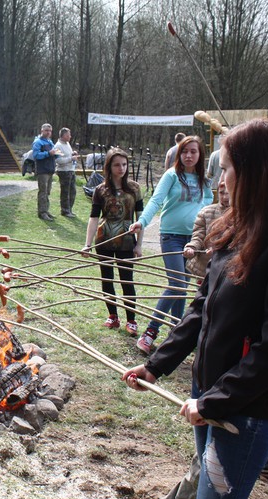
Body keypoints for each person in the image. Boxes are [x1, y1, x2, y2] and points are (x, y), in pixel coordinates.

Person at [125, 108, 268, 499]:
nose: (219, 181)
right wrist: (158, 362)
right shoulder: (241, 222)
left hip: (247, 401)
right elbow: (203, 305)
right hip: (215, 385)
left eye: (228, 169)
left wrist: (215, 401)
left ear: (257, 172)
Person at [130, 135, 212, 354]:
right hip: (171, 237)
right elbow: (156, 200)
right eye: (184, 151)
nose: (188, 155)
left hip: (195, 241)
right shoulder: (172, 175)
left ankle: (176, 333)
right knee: (178, 284)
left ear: (200, 154)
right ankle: (150, 332)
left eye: (193, 151)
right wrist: (141, 221)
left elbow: (212, 210)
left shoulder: (205, 181)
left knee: (182, 287)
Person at [82, 148, 144, 336]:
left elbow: (140, 218)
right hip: (104, 240)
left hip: (126, 240)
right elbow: (94, 218)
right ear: (109, 167)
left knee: (127, 279)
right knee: (107, 278)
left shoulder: (134, 188)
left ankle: (131, 319)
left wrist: (139, 244)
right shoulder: (100, 190)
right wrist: (88, 243)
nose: (121, 168)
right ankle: (113, 316)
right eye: (117, 164)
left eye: (124, 164)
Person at [183, 174, 229, 279]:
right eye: (222, 193)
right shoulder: (206, 212)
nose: (225, 197)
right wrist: (192, 247)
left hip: (228, 270)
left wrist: (218, 251)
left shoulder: (243, 215)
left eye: (228, 193)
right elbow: (198, 236)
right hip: (205, 267)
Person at [33, 123, 59, 220]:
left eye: (50, 131)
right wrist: (48, 153)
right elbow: (36, 155)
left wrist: (57, 154)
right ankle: (42, 213)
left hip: (50, 170)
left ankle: (46, 210)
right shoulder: (38, 142)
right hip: (42, 170)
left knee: (47, 192)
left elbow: (53, 154)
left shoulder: (50, 142)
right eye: (46, 130)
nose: (48, 132)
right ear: (42, 131)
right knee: (43, 192)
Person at [55, 127, 79, 218]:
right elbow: (58, 160)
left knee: (72, 191)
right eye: (69, 135)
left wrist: (72, 153)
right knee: (65, 192)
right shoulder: (57, 146)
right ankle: (65, 211)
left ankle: (69, 209)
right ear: (64, 135)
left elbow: (66, 155)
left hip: (71, 170)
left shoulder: (67, 144)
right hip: (64, 171)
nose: (70, 136)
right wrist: (71, 159)